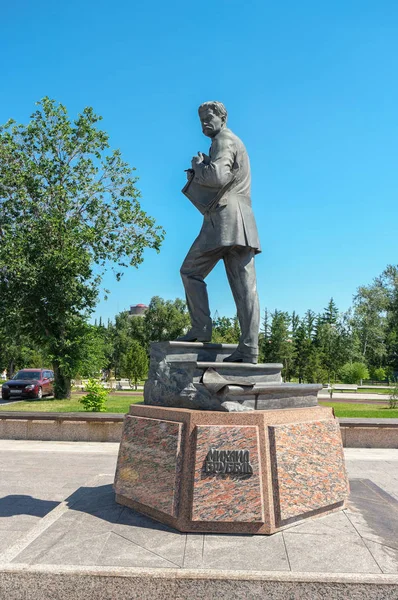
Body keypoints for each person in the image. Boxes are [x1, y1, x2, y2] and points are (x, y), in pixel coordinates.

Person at [178, 101, 261, 363]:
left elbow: (217, 178)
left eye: (208, 118)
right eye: (200, 119)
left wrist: (199, 167)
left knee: (190, 271)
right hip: (243, 222)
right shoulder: (233, 140)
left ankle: (201, 328)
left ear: (222, 118)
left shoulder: (223, 141)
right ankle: (249, 349)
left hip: (224, 219)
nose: (204, 123)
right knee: (246, 288)